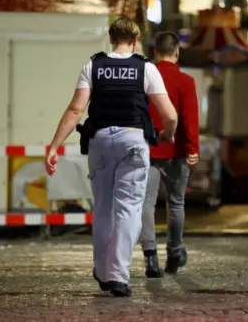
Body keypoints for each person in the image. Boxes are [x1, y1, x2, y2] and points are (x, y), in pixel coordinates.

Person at [45, 17, 178, 297]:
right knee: (128, 208)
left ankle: (103, 271)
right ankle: (118, 275)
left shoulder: (92, 66)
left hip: (101, 142)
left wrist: (55, 146)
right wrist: (168, 133)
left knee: (103, 207)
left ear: (111, 37)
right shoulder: (146, 69)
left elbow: (75, 111)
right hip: (133, 141)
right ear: (136, 38)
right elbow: (170, 115)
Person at [139, 32, 199, 277]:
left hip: (148, 150)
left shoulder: (144, 77)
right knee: (176, 203)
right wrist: (193, 148)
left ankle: (150, 256)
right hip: (176, 152)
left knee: (146, 204)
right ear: (177, 52)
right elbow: (189, 117)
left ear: (154, 52)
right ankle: (174, 251)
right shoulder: (185, 81)